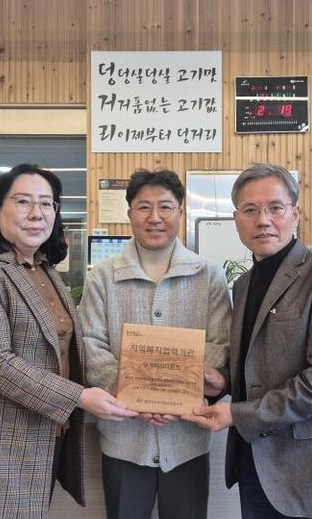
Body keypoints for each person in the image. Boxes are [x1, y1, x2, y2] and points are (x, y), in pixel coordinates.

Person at [0, 163, 137, 518]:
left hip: (44, 437)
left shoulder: (44, 270)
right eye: (23, 201)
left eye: (47, 203)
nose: (36, 213)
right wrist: (79, 397)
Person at [182, 163, 312, 519]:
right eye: (250, 210)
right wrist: (223, 380)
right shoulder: (243, 284)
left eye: (275, 207)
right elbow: (257, 362)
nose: (263, 220)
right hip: (255, 465)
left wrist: (238, 414)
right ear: (236, 219)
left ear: (295, 214)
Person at [80, 169, 231, 519]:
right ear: (129, 212)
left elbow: (220, 343)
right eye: (144, 207)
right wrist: (135, 395)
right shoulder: (102, 277)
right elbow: (90, 345)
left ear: (180, 211)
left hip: (187, 438)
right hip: (123, 440)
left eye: (165, 206)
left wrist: (176, 397)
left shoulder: (208, 275)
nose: (155, 217)